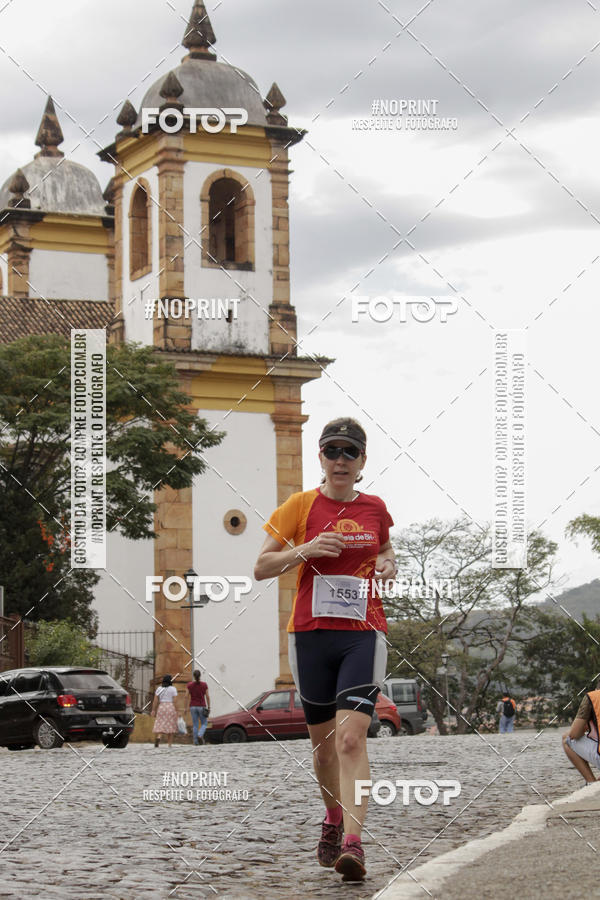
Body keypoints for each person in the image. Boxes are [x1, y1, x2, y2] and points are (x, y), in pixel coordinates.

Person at [254, 417, 395, 883]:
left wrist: (390, 562)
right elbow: (261, 566)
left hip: (362, 632)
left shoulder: (375, 508)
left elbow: (386, 545)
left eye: (349, 452)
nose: (339, 459)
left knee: (352, 738)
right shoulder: (299, 506)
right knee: (323, 751)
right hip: (310, 635)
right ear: (320, 457)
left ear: (361, 462)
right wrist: (307, 548)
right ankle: (333, 817)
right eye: (331, 450)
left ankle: (353, 844)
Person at [562, 681, 600, 784]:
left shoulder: (592, 697)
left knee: (566, 739)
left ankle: (591, 783)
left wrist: (585, 726)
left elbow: (574, 734)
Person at [151, 674, 180, 748]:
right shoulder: (173, 689)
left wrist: (153, 710)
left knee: (161, 724)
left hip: (161, 707)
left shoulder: (159, 689)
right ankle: (169, 745)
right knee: (170, 726)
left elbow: (155, 700)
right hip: (170, 707)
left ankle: (159, 736)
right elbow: (175, 701)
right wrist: (177, 711)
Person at [185, 669, 210, 745]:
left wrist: (186, 707)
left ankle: (196, 742)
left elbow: (186, 696)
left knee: (195, 725)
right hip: (201, 706)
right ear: (200, 676)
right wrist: (209, 707)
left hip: (192, 706)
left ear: (194, 676)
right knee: (204, 723)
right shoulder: (204, 685)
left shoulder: (189, 685)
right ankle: (200, 735)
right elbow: (207, 697)